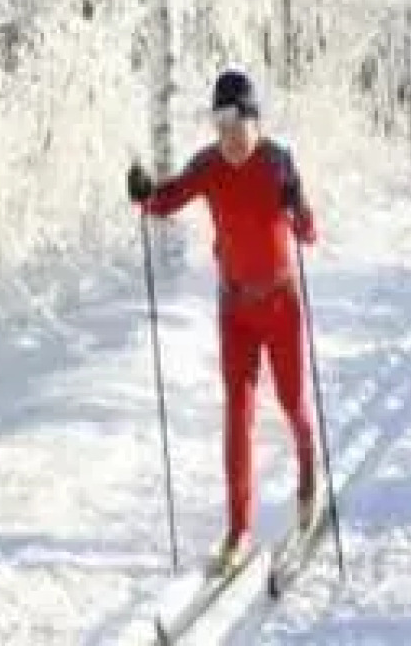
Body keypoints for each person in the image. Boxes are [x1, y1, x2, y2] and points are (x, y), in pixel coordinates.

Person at [127, 67, 320, 576]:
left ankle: (307, 469)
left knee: (293, 401)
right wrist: (145, 192)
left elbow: (308, 232)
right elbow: (168, 198)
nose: (229, 138)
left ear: (254, 121)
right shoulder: (210, 165)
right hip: (235, 309)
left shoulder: (278, 163)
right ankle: (238, 528)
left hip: (280, 305)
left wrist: (295, 199)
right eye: (220, 126)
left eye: (236, 126)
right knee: (237, 412)